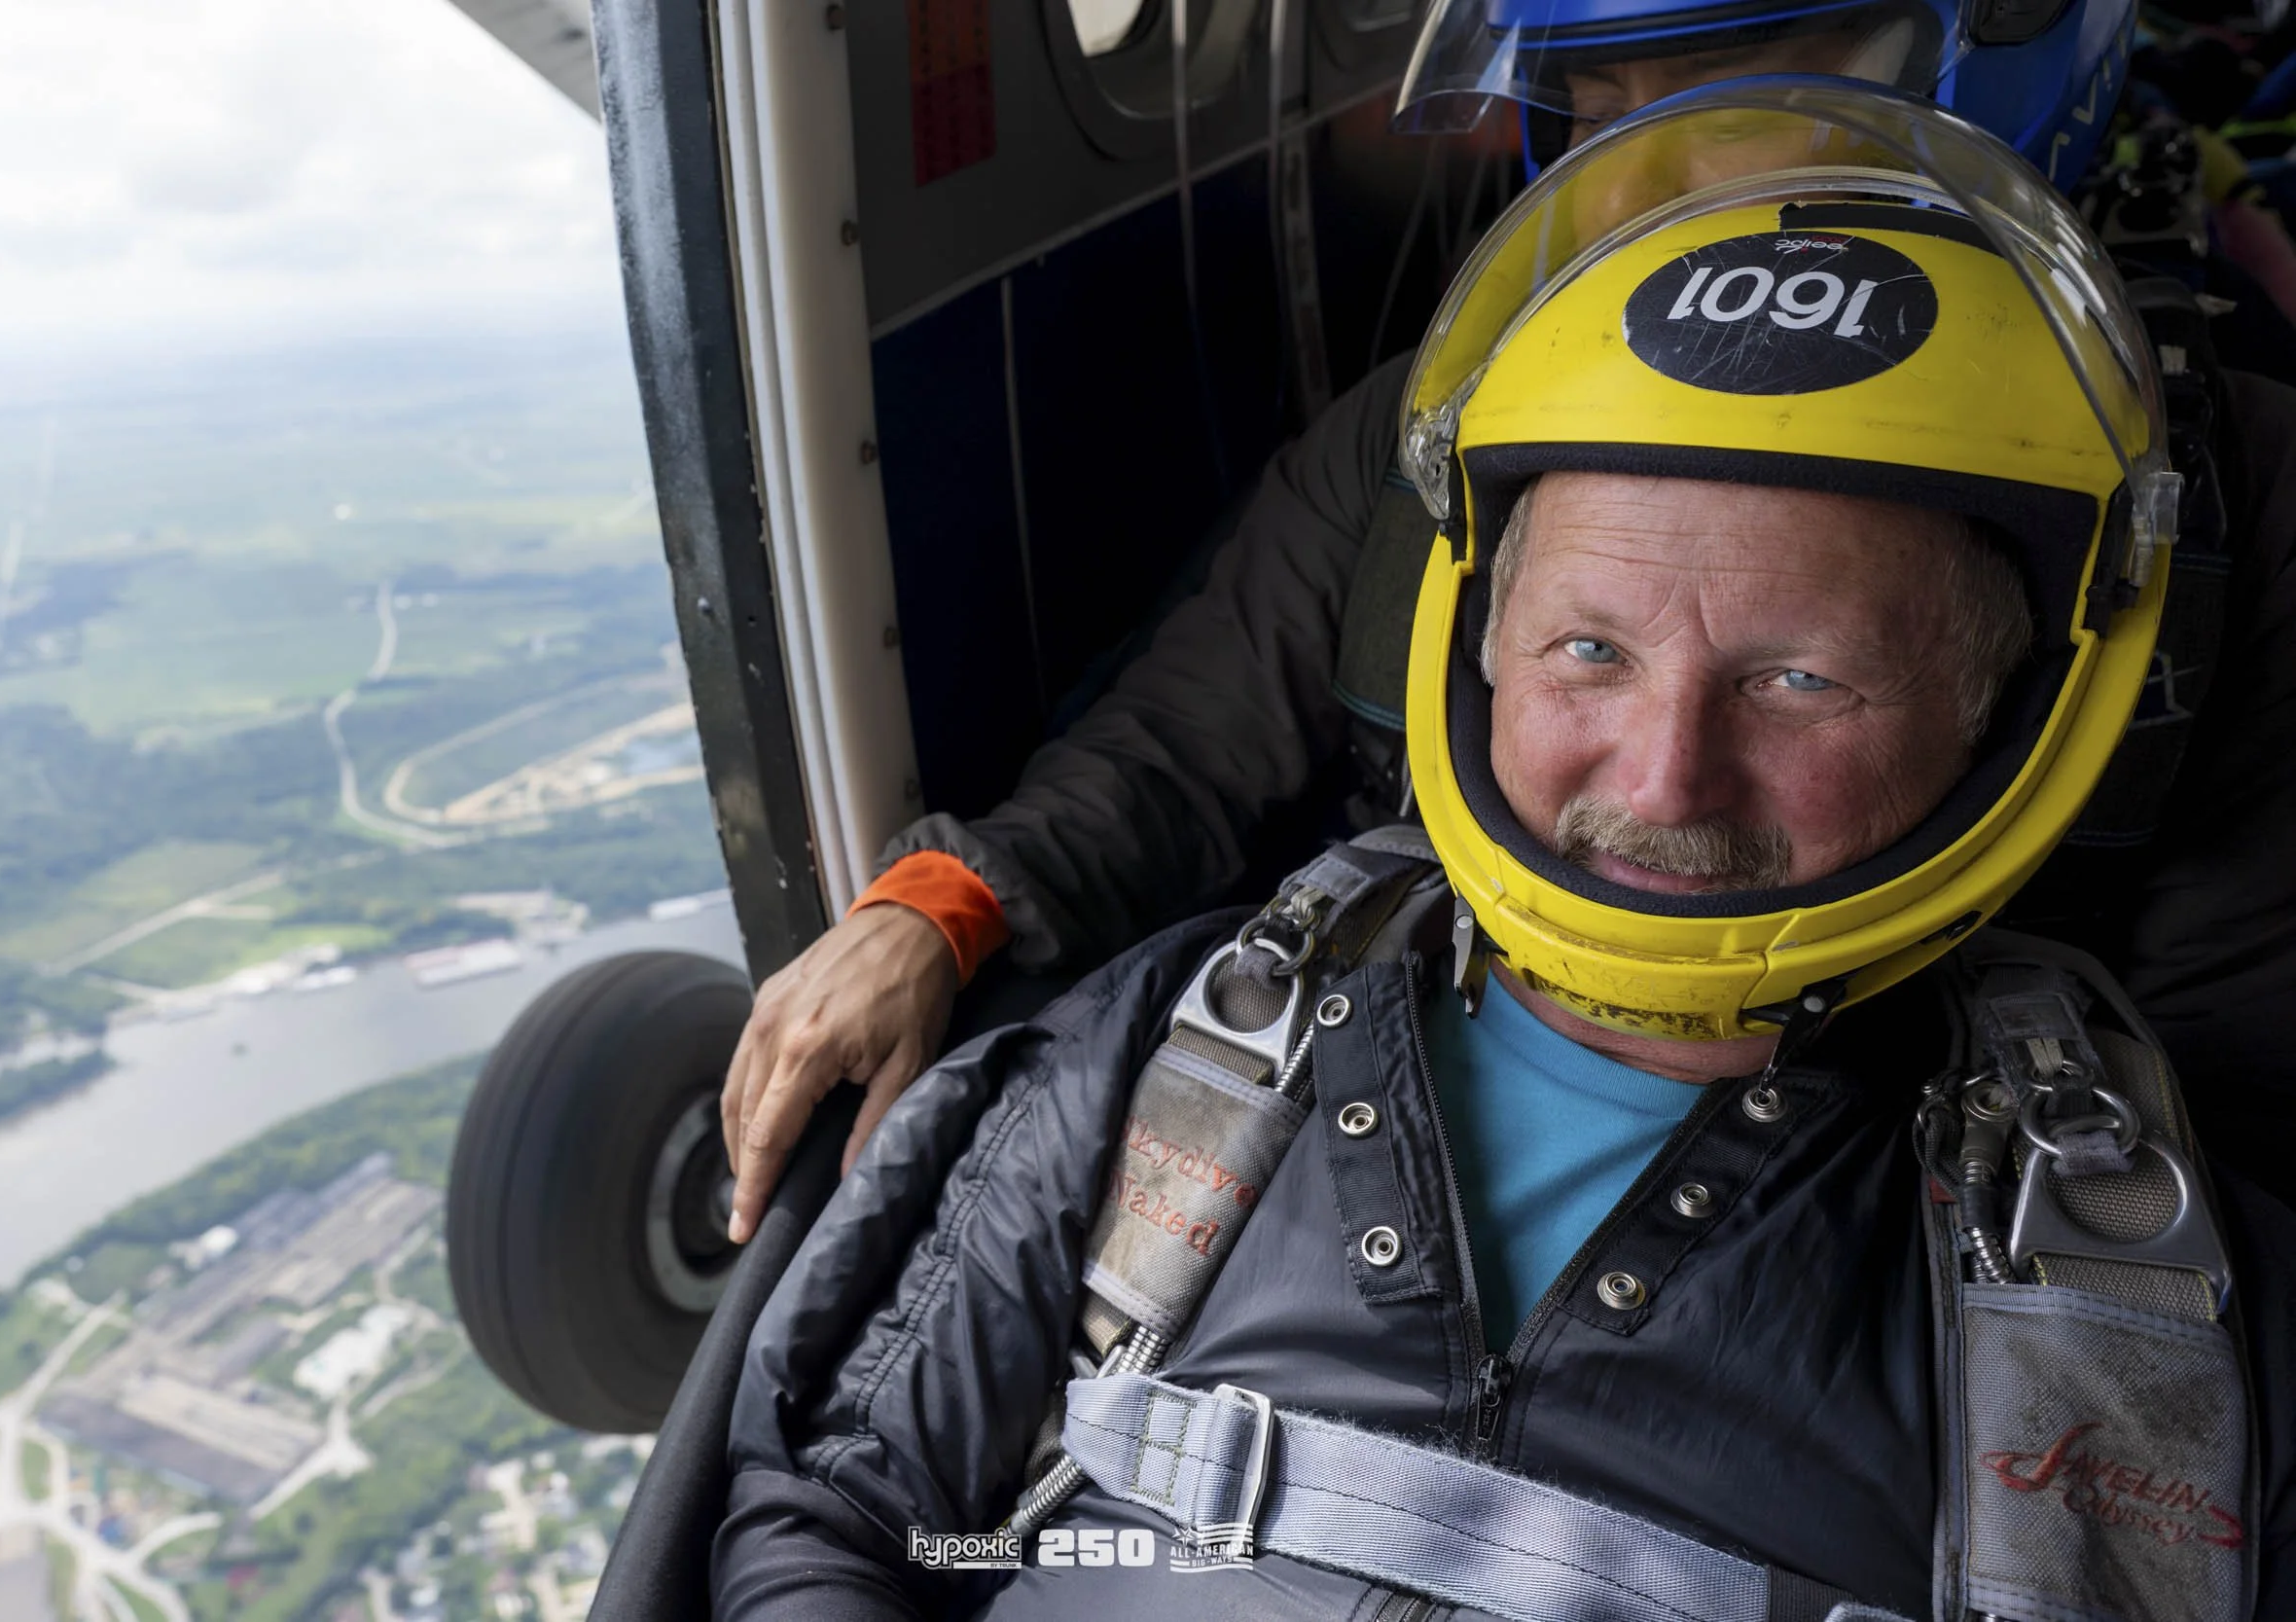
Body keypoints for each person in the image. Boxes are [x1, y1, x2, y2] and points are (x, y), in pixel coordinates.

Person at [710, 103, 2294, 1622]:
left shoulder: (2147, 1272)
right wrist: (943, 901)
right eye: (1589, 650)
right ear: (1473, 649)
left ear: (1997, 719)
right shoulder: (1182, 1041)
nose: (1665, 773)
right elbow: (848, 1510)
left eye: (1800, 680)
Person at [719, 0, 2296, 1244]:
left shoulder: (2222, 503)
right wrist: (934, 907)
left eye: (1747, 90)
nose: (1666, 179)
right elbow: (1184, 739)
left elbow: (2229, 1073)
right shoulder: (1445, 431)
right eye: (1606, 113)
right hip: (1412, 1114)